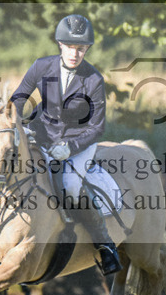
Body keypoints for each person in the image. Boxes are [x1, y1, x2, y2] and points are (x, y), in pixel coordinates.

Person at [10, 14, 121, 275]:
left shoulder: (93, 80)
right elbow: (18, 98)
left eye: (81, 49)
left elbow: (97, 127)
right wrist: (16, 125)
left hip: (78, 142)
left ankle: (105, 245)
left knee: (70, 186)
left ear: (87, 49)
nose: (75, 53)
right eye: (71, 47)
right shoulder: (41, 67)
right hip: (41, 136)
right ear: (61, 45)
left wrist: (70, 148)